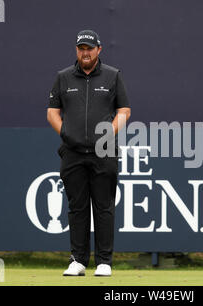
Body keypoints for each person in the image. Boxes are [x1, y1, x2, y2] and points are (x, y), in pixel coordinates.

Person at [47, 30, 131, 277]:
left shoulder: (113, 75)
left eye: (90, 48)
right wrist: (66, 134)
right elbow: (52, 112)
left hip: (103, 152)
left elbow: (124, 110)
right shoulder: (63, 77)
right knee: (77, 207)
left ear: (99, 50)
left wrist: (107, 134)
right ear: (76, 50)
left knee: (104, 207)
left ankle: (104, 261)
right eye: (81, 48)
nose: (85, 52)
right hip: (73, 153)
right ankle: (78, 261)